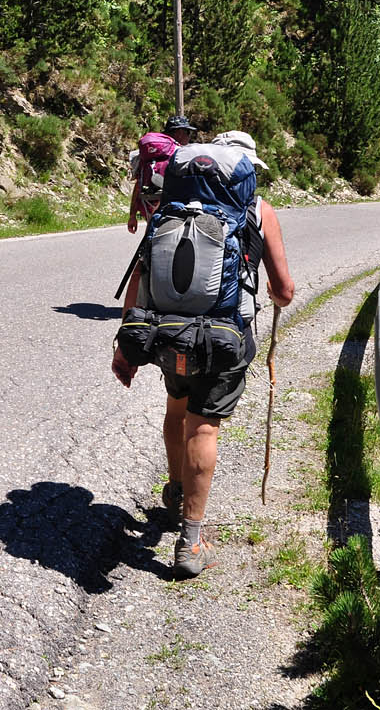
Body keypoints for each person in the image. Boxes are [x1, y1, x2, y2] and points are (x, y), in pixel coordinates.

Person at [110, 130, 295, 578]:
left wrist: (125, 345)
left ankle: (175, 492)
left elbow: (141, 274)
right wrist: (271, 294)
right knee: (204, 427)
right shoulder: (259, 210)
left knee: (177, 411)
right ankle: (191, 543)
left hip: (168, 335)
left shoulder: (170, 208)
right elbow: (285, 291)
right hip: (223, 340)